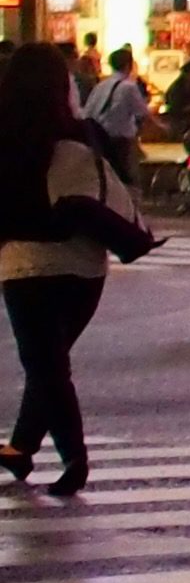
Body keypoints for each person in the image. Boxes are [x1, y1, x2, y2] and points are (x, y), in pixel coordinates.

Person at [0, 36, 130, 488]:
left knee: (45, 364)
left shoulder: (7, 136)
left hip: (26, 262)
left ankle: (74, 458)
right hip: (86, 264)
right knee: (49, 362)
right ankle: (21, 448)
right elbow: (118, 182)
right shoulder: (84, 132)